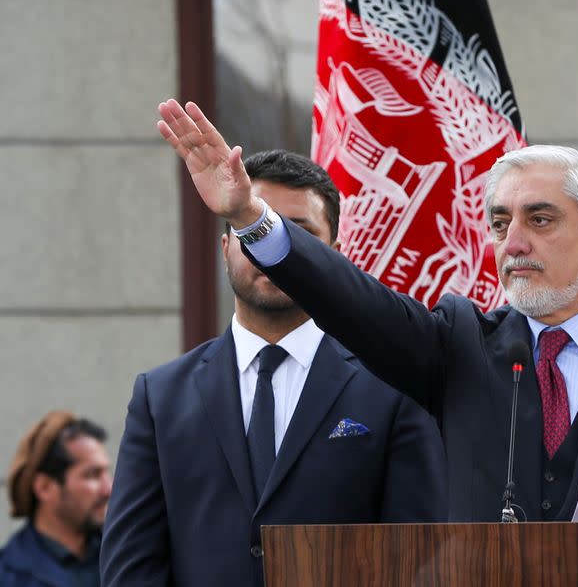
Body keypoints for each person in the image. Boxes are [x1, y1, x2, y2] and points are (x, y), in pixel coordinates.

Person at [156, 99, 578, 586]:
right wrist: (251, 219)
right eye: (501, 223)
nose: (513, 241)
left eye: (540, 219)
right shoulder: (460, 344)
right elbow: (353, 301)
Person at [99, 149, 448, 587]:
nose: (268, 253)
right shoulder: (161, 396)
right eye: (250, 232)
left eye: (297, 236)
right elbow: (131, 569)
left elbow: (418, 560)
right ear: (225, 247)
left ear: (333, 257)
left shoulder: (394, 387)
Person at [0, 411, 112, 587]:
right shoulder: (9, 577)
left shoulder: (123, 556)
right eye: (92, 475)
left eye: (107, 473)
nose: (109, 489)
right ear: (44, 488)